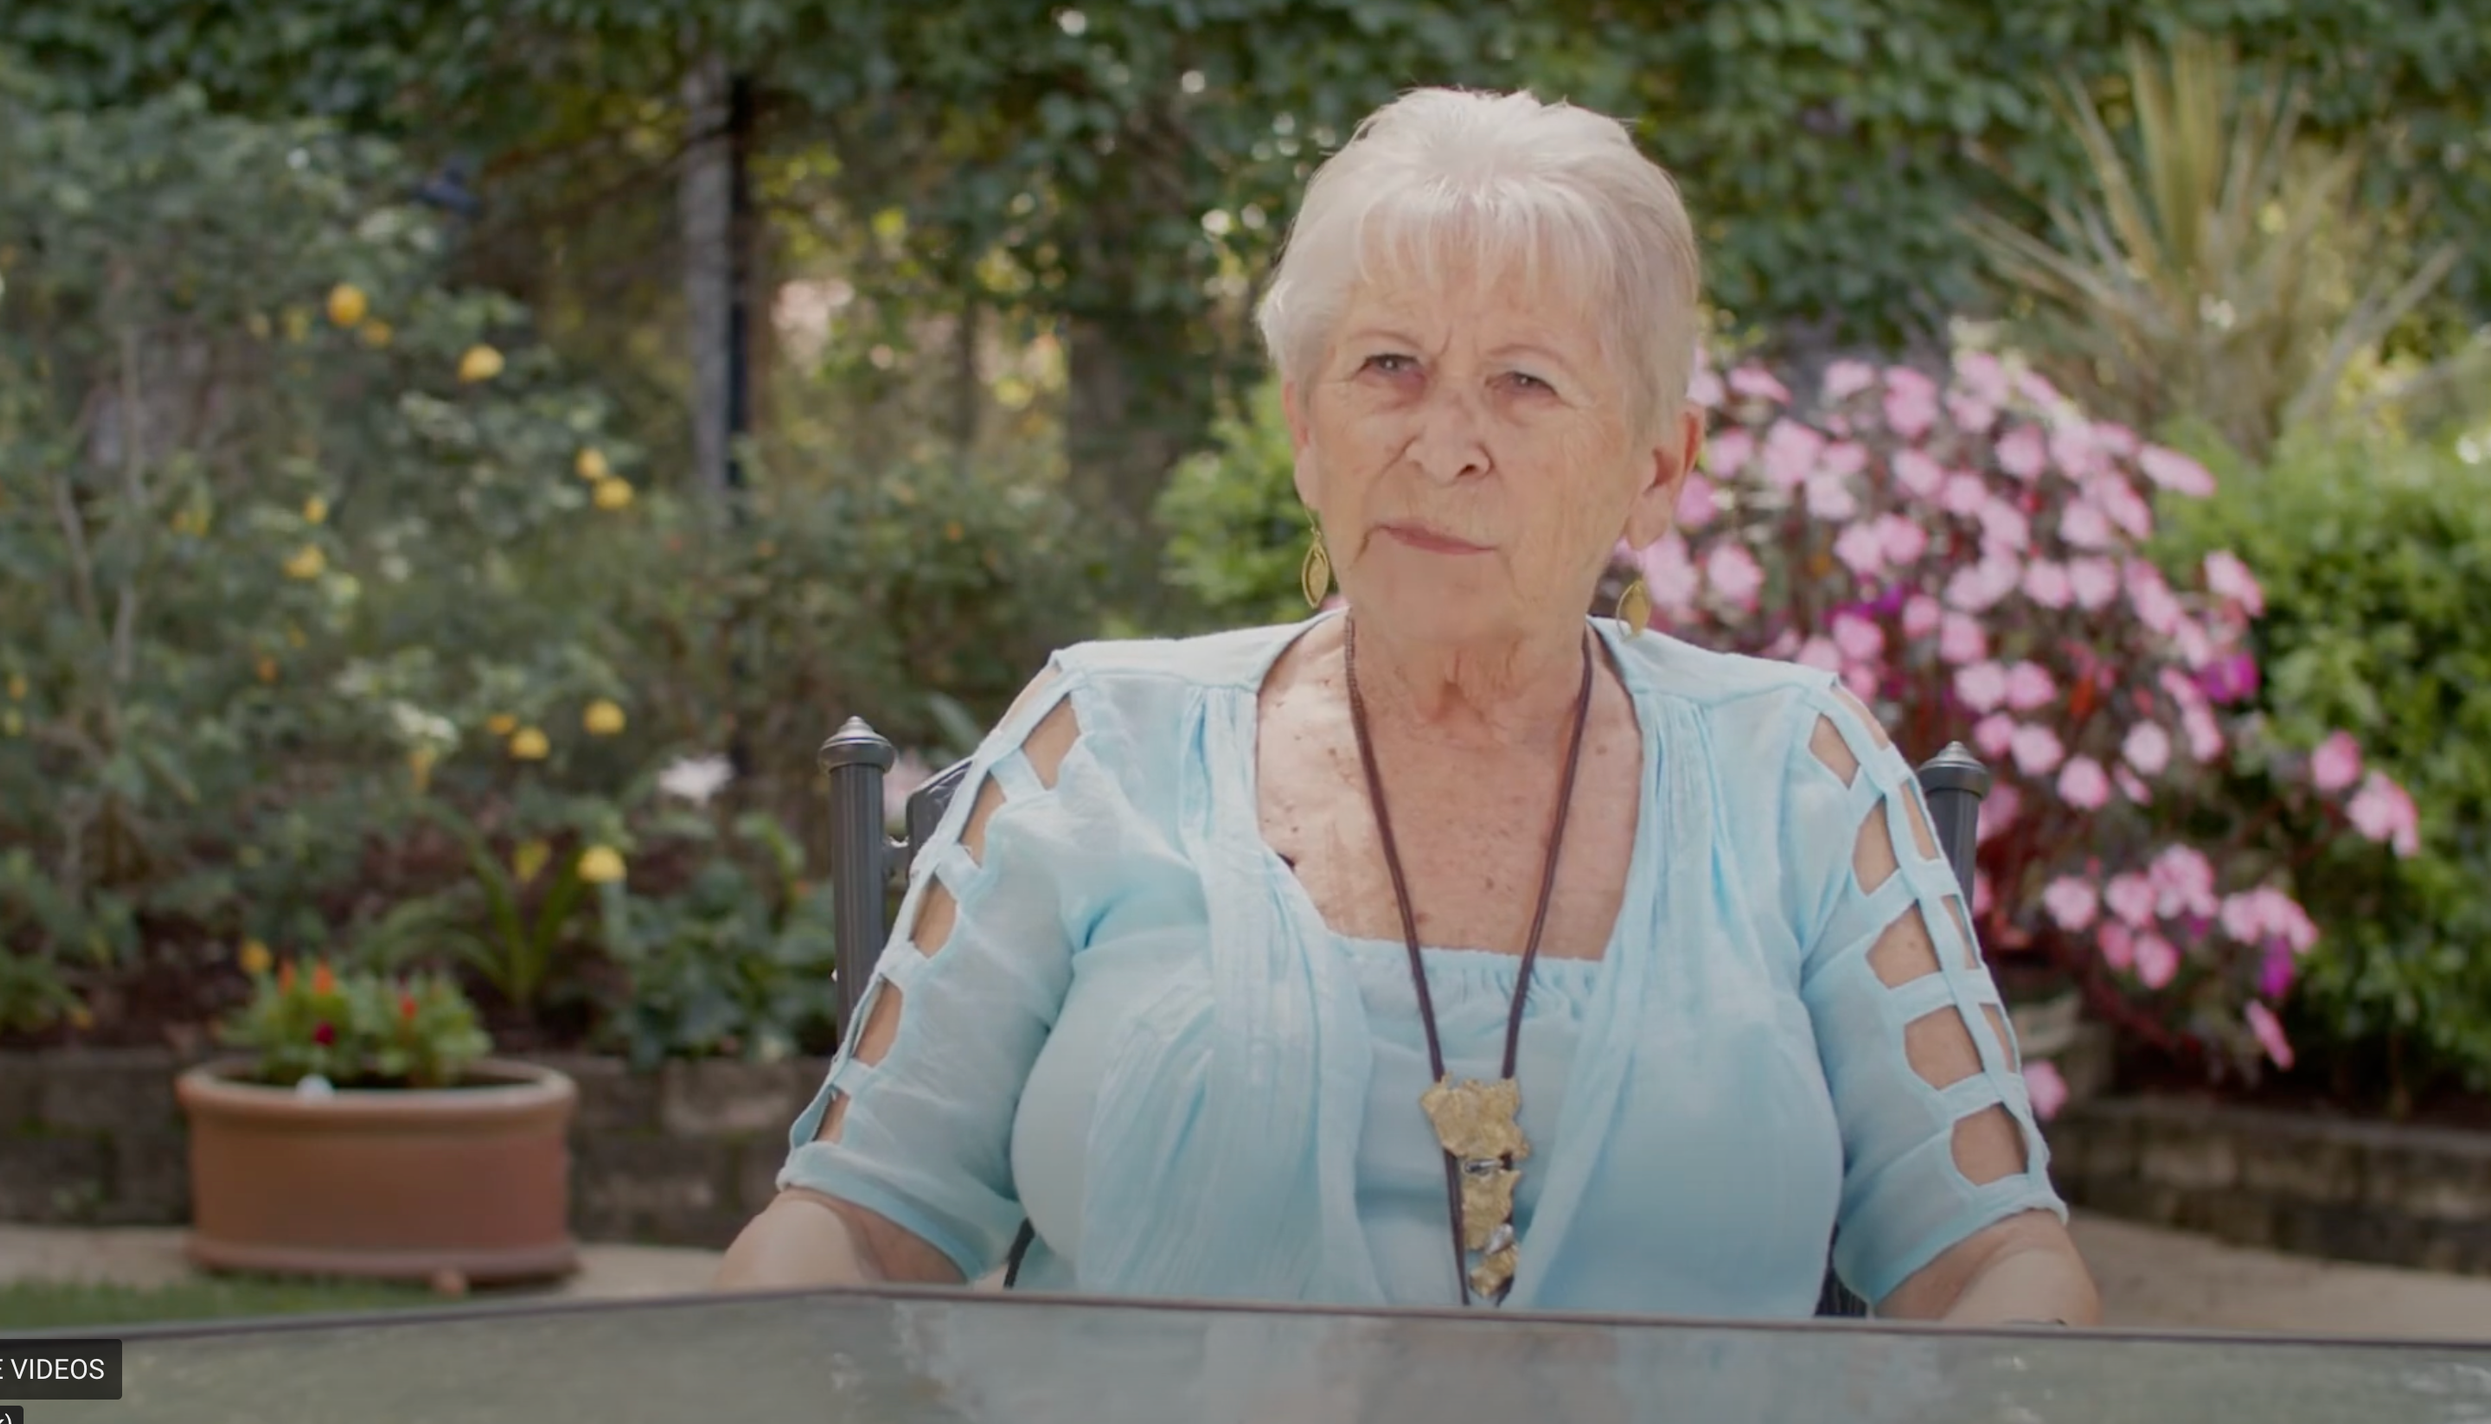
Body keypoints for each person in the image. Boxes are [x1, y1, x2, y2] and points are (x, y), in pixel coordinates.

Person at [713, 85, 2100, 1325]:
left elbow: (1992, 1260)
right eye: (1388, 368)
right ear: (1305, 427)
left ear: (1658, 469)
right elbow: (853, 1220)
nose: (1446, 447)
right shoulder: (1104, 744)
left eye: (1525, 382)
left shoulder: (1797, 775)